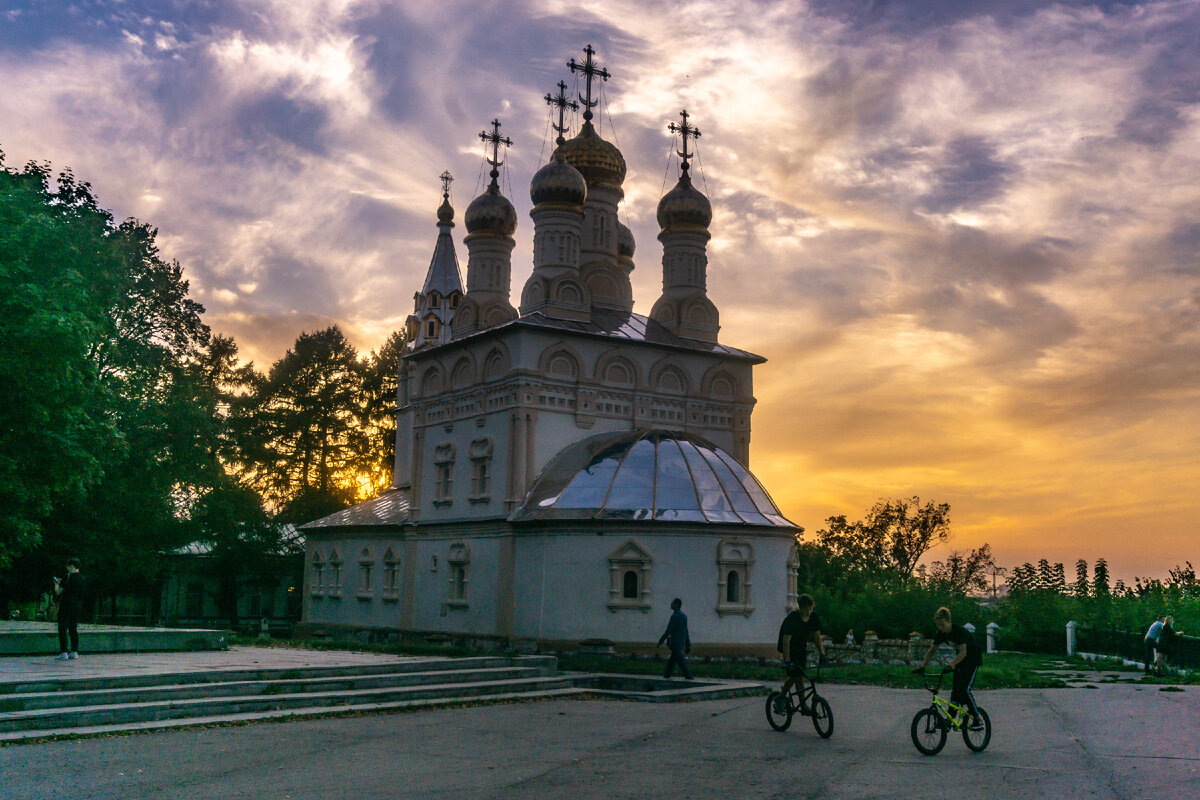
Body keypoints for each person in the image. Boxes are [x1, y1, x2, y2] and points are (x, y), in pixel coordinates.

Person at [917, 607, 984, 730]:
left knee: (964, 690)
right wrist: (923, 666)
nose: (940, 628)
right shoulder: (941, 634)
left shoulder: (958, 631)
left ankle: (977, 718)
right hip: (961, 660)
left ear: (948, 620)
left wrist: (951, 664)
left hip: (972, 658)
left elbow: (963, 652)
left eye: (942, 624)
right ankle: (950, 720)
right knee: (955, 691)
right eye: (937, 625)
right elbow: (932, 650)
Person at [774, 594, 824, 712]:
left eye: (811, 609)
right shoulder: (792, 619)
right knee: (796, 674)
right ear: (800, 608)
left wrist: (822, 653)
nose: (809, 612)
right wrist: (787, 661)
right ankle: (788, 699)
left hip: (801, 646)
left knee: (799, 675)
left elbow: (817, 636)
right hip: (789, 647)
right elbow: (786, 641)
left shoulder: (813, 617)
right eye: (807, 609)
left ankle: (792, 700)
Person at [53, 558, 85, 661]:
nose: (66, 568)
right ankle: (74, 652)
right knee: (73, 628)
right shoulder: (82, 579)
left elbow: (58, 592)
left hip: (65, 605)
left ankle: (64, 652)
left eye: (68, 566)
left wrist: (56, 584)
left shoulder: (67, 577)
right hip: (76, 606)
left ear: (71, 566)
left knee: (62, 628)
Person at [658, 598, 693, 679]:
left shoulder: (675, 616)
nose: (671, 604)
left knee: (681, 662)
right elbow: (686, 631)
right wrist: (687, 644)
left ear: (676, 605)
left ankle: (689, 677)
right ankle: (666, 675)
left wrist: (661, 640)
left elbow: (669, 631)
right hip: (681, 642)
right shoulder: (684, 616)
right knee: (672, 660)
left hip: (675, 643)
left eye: (672, 603)